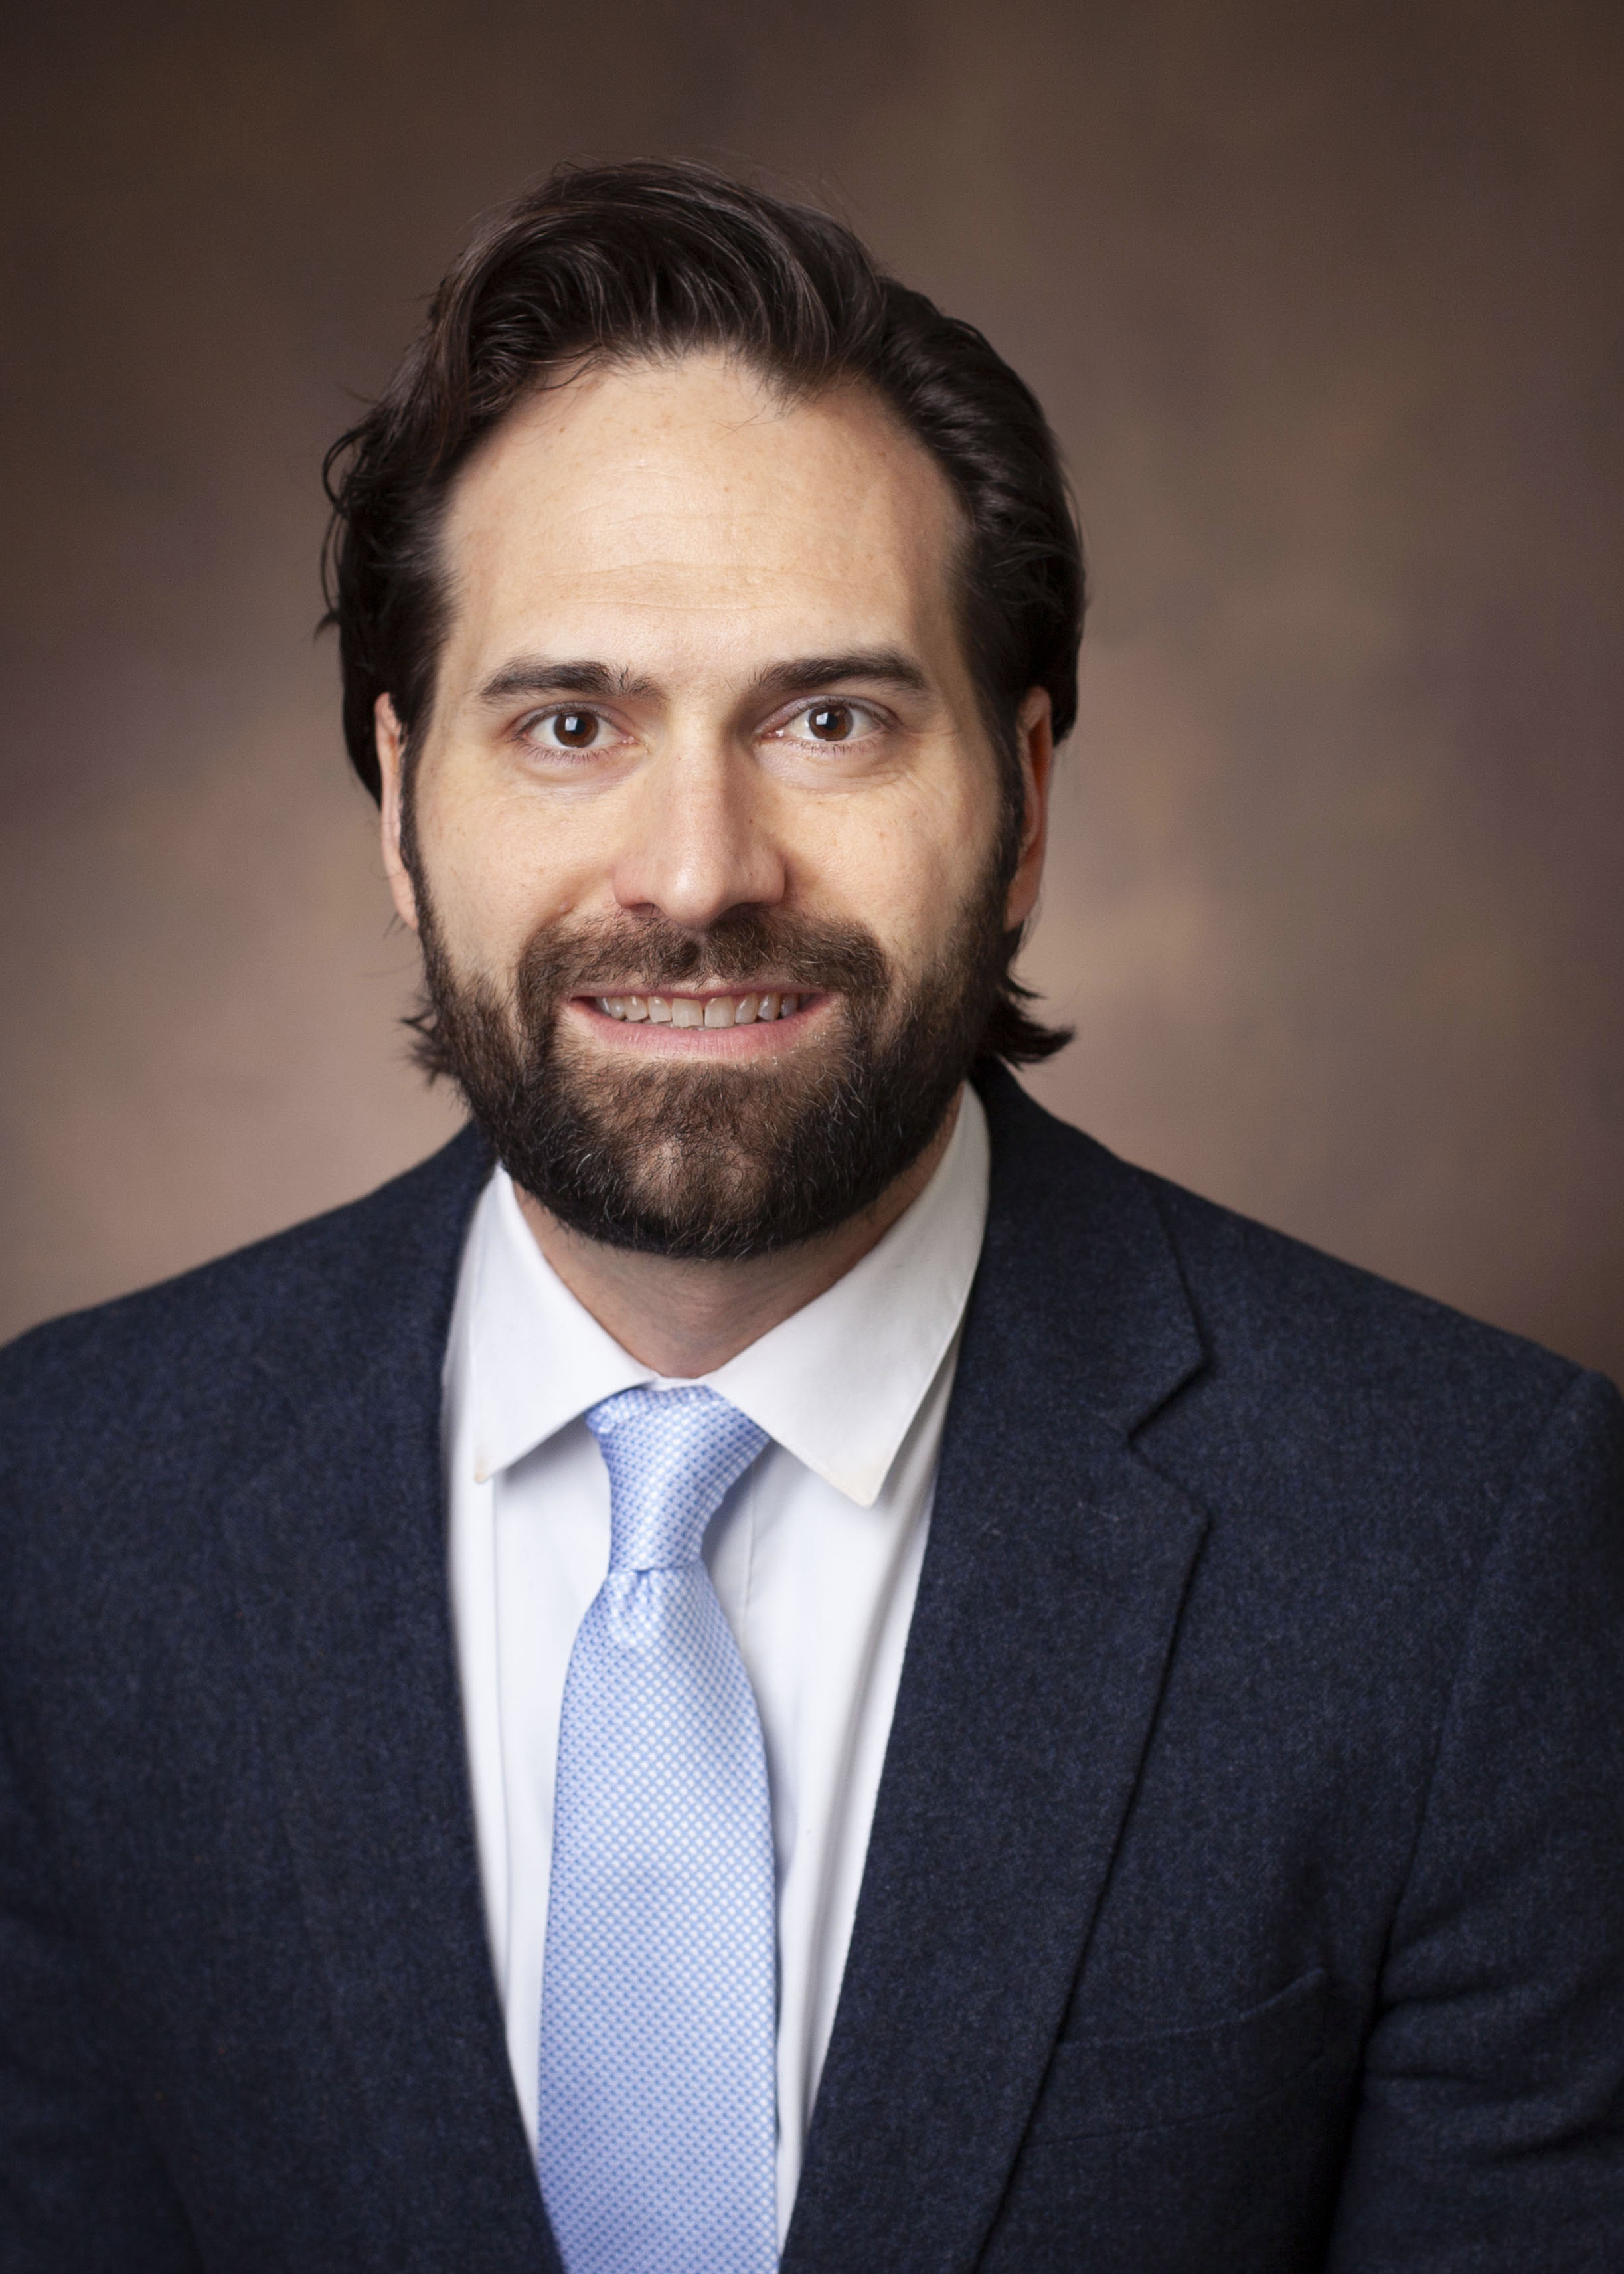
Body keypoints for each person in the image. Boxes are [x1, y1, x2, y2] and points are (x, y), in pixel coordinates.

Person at [1, 159, 1620, 2274]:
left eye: (830, 719)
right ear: (400, 803)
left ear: (1022, 802)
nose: (698, 871)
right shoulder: (63, 1511)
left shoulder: (1465, 1543)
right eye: (569, 724)